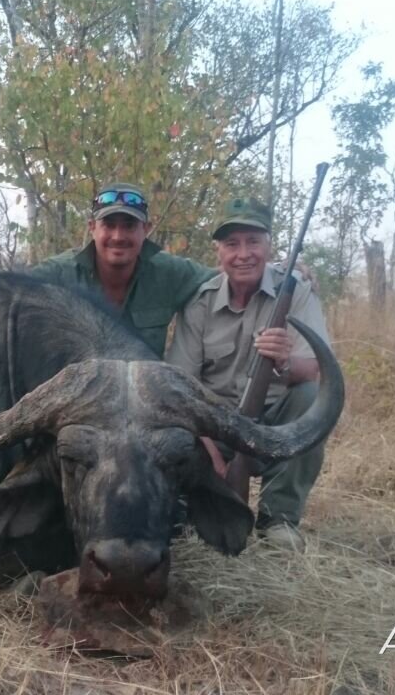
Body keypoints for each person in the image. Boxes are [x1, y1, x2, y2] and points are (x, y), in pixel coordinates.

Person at [165, 197, 331, 552]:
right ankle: (190, 513)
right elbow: (181, 389)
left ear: (269, 247)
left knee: (309, 398)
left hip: (271, 423)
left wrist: (284, 362)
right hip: (212, 425)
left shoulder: (297, 291)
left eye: (253, 242)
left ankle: (279, 520)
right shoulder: (199, 301)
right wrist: (213, 458)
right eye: (232, 244)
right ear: (218, 253)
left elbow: (315, 367)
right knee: (170, 432)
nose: (244, 254)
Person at [28, 182, 216, 357]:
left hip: (145, 388)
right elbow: (9, 292)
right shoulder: (58, 273)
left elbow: (224, 278)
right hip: (79, 389)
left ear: (146, 229)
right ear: (92, 227)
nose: (118, 236)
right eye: (109, 225)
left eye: (129, 226)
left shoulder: (168, 272)